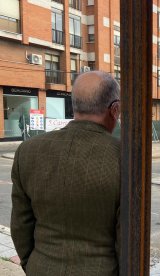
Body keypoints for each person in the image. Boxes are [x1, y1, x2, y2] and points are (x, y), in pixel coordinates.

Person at [10, 71, 121, 275]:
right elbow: (126, 237)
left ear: (74, 105)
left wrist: (32, 264)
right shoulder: (124, 157)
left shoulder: (28, 151)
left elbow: (20, 225)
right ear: (114, 109)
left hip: (41, 268)